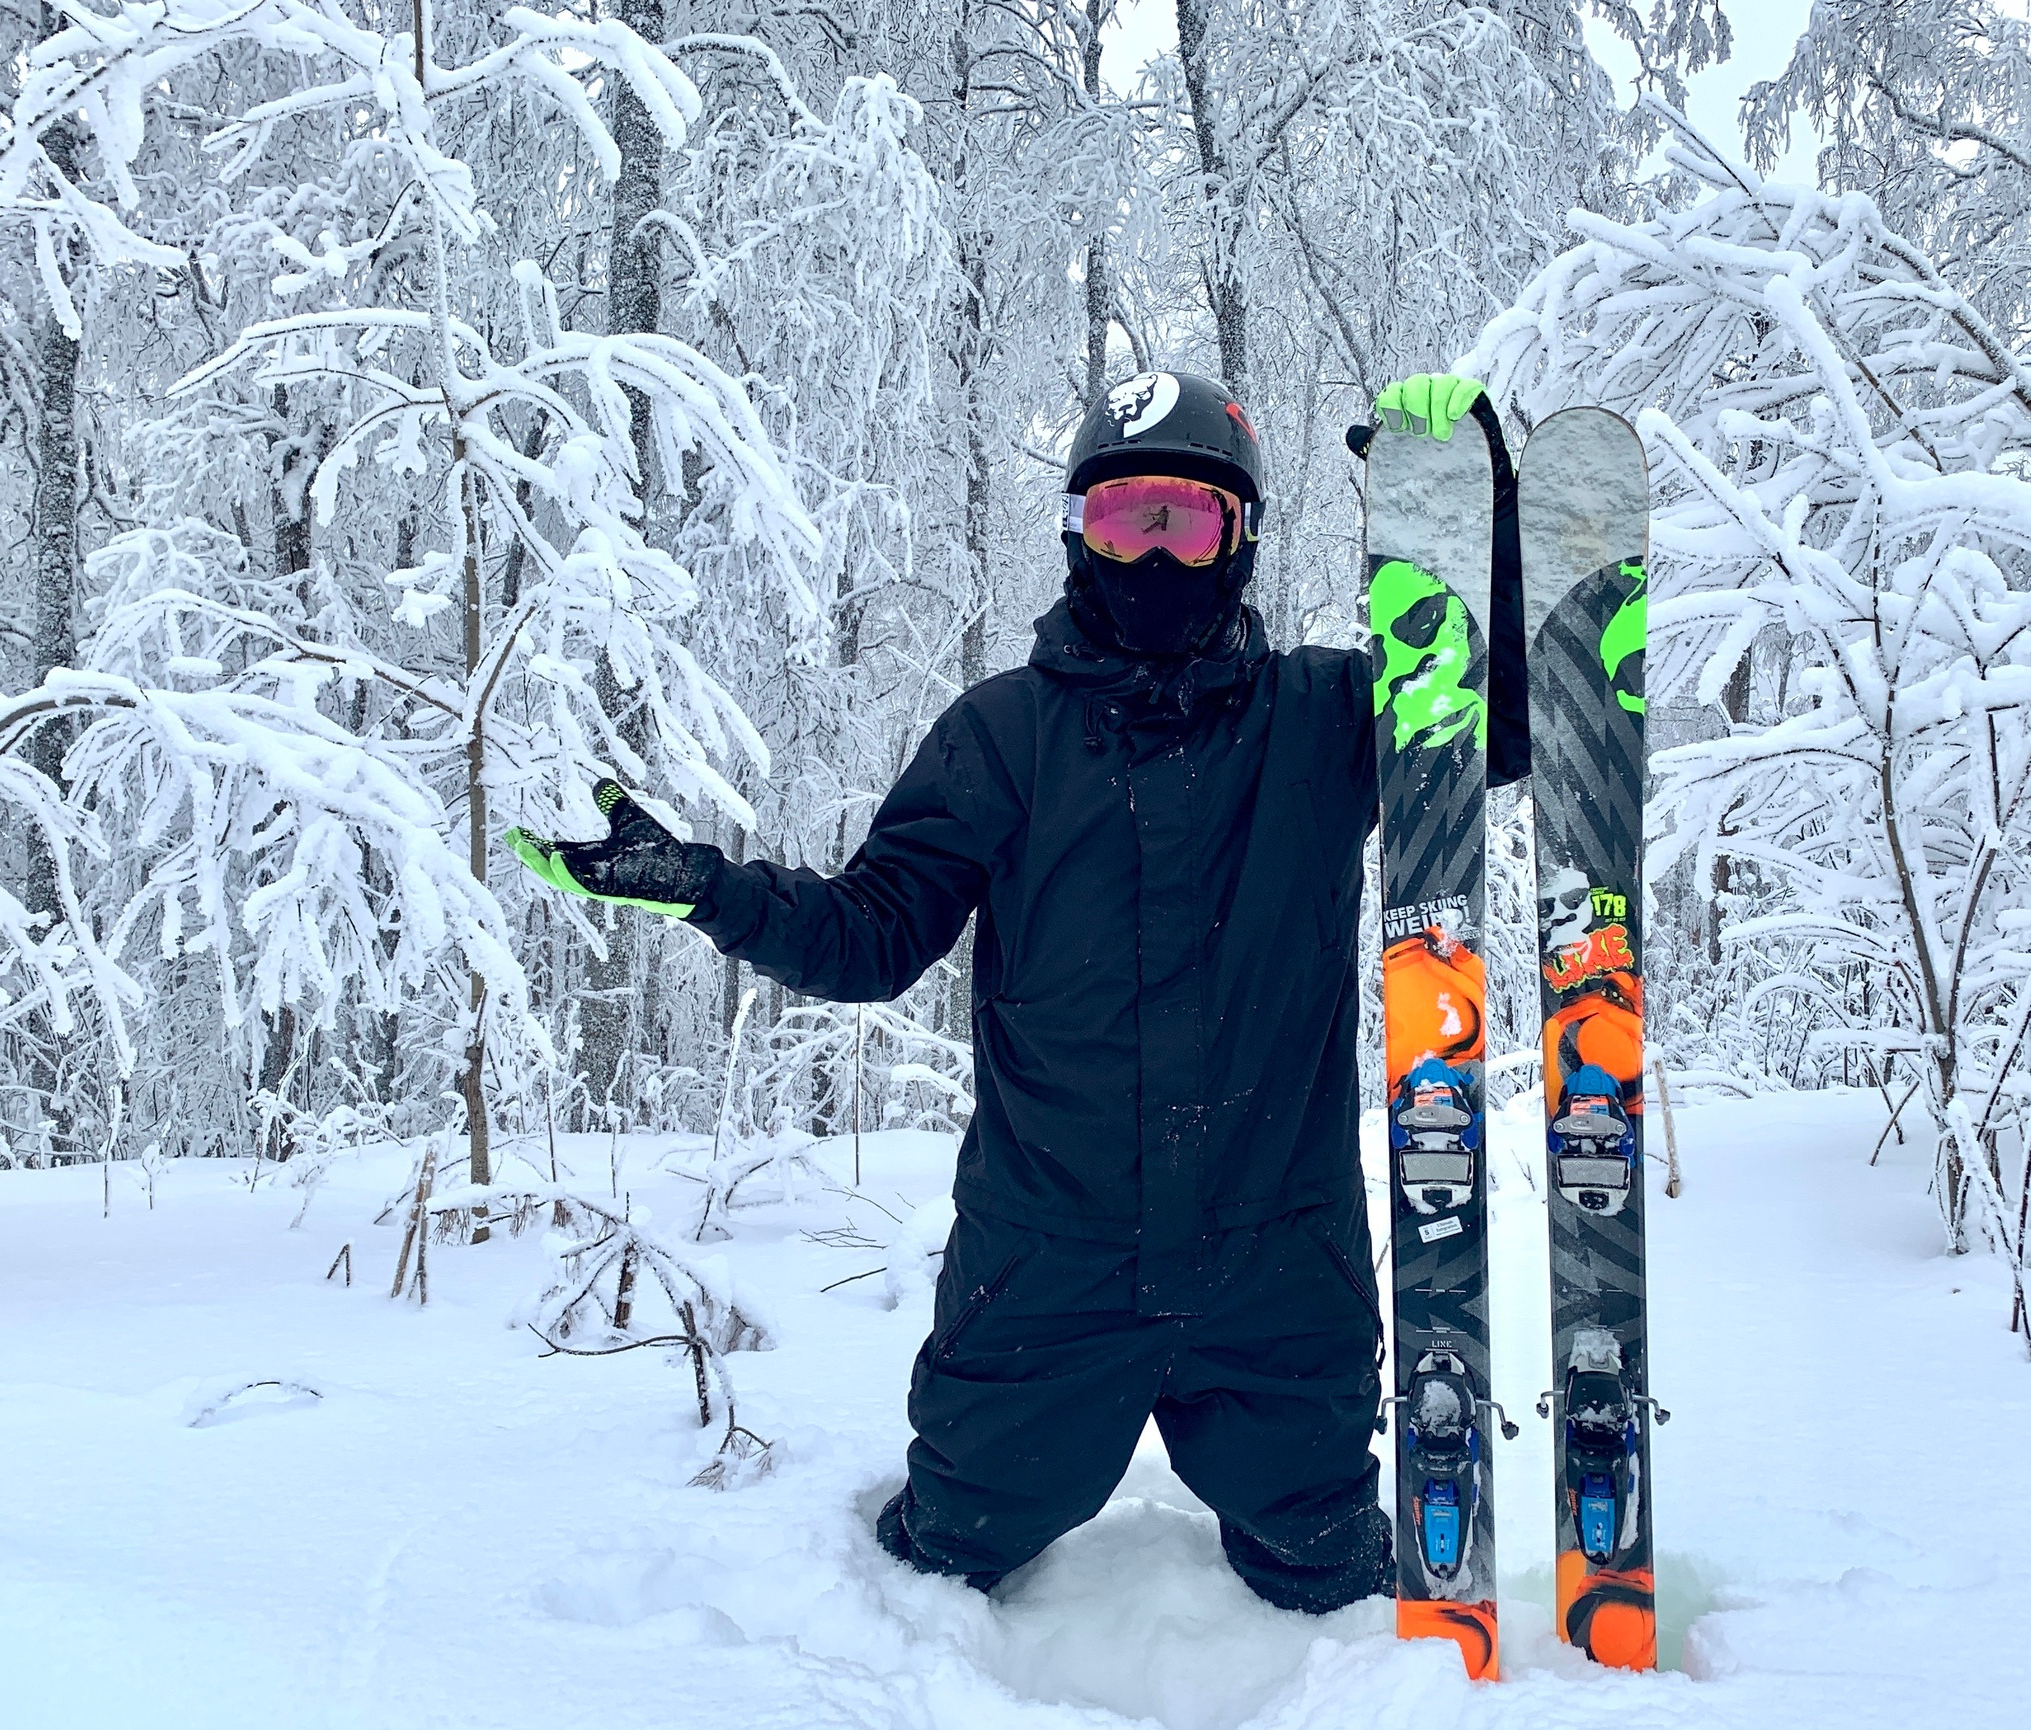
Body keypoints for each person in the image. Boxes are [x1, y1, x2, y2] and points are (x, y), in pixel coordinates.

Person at [510, 370, 1527, 1613]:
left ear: (1241, 542)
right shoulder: (1002, 737)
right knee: (942, 1562)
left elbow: (1512, 726)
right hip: (1050, 1263)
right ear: (1074, 538)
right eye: (1122, 520)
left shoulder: (1322, 719)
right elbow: (872, 937)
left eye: (1188, 522)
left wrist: (1470, 509)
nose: (1153, 556)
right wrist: (707, 888)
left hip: (1279, 1266)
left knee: (1329, 1579)